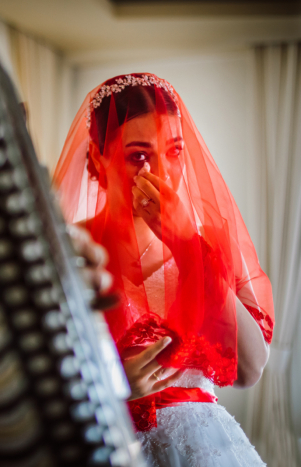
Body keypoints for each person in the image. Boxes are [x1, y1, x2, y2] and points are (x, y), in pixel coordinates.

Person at [53, 73, 274, 466]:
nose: (160, 174)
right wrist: (112, 388)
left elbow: (250, 368)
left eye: (173, 152)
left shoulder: (208, 246)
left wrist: (187, 245)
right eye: (138, 155)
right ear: (96, 160)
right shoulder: (69, 252)